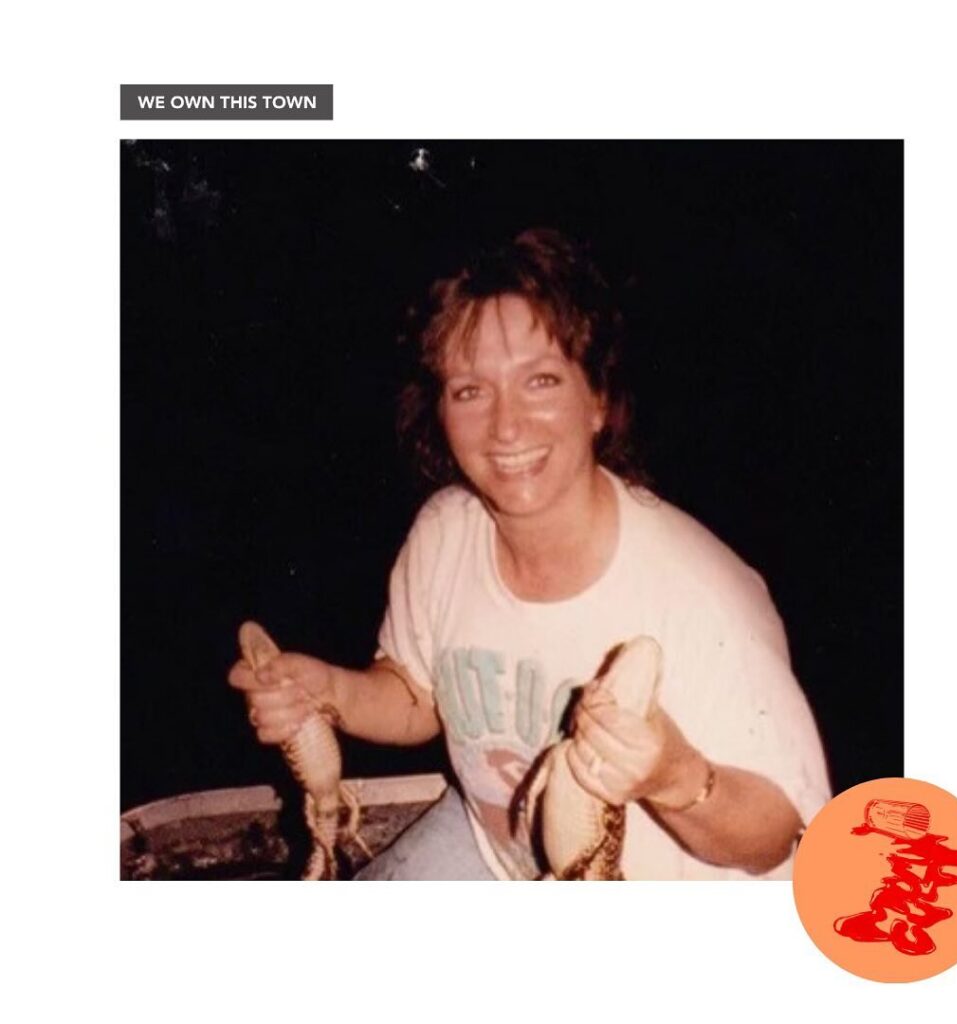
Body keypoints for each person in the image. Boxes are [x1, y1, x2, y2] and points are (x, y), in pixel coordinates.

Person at [228, 228, 831, 880]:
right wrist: (329, 691)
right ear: (439, 413)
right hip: (501, 854)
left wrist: (673, 776)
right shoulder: (445, 532)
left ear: (597, 400)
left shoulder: (705, 596)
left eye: (540, 381)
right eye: (470, 390)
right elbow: (419, 696)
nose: (506, 426)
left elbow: (778, 838)